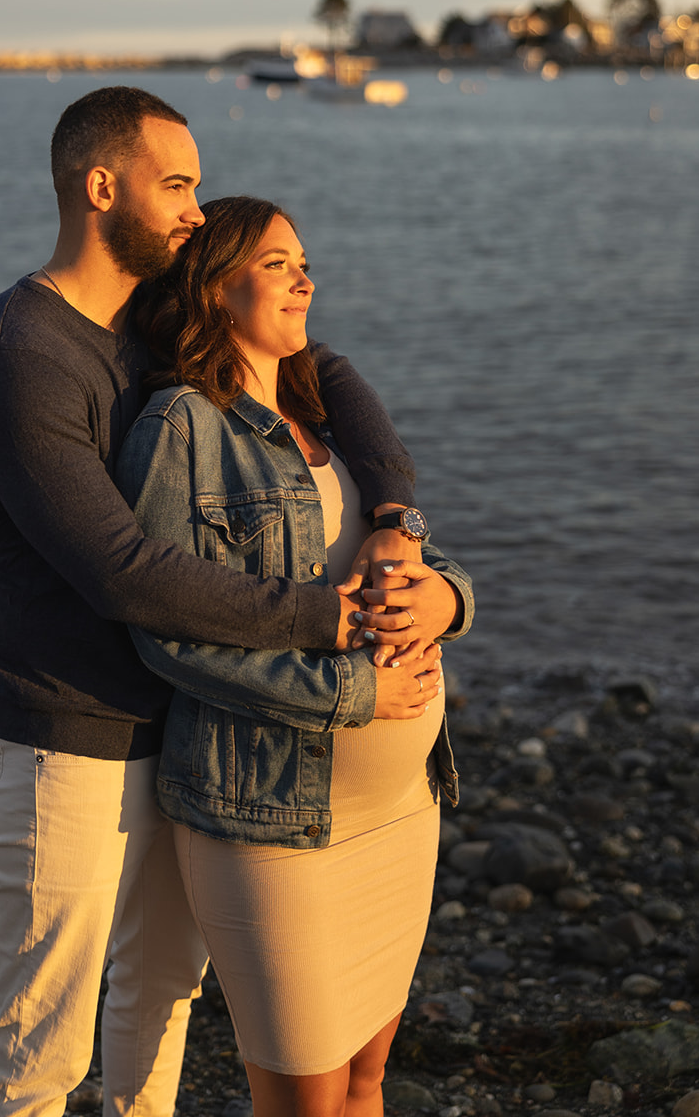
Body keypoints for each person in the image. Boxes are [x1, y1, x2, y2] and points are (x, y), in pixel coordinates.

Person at [0, 86, 471, 1117]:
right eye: (174, 183)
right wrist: (325, 623)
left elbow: (330, 373)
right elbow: (124, 572)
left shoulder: (138, 325)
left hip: (179, 735)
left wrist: (395, 512)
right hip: (72, 734)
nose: (192, 207)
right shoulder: (25, 355)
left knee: (160, 998)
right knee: (39, 1037)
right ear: (102, 187)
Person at [116, 195, 472, 1117]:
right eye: (277, 263)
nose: (305, 277)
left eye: (303, 260)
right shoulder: (181, 428)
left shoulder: (321, 411)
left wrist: (447, 594)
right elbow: (169, 633)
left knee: (365, 1081)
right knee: (304, 1102)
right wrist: (356, 693)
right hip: (272, 820)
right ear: (213, 285)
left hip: (401, 806)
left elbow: (393, 564)